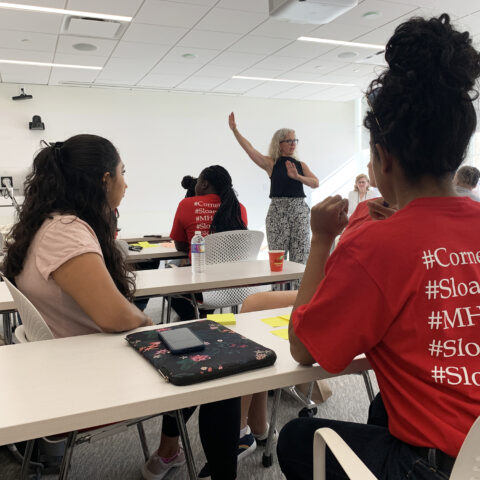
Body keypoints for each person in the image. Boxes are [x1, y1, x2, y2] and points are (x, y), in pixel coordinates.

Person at [277, 13, 480, 480]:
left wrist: (323, 239)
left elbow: (303, 349)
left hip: (437, 469)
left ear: (382, 159)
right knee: (382, 406)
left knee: (297, 439)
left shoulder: (375, 243)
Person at [2, 135, 239, 480]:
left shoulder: (48, 223)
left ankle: (168, 453)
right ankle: (178, 456)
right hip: (89, 377)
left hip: (71, 363)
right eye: (122, 173)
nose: (126, 184)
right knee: (224, 373)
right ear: (104, 180)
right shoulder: (67, 231)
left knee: (201, 349)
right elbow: (115, 316)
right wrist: (146, 321)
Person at [228, 113, 319, 266]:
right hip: (278, 212)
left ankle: (299, 290)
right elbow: (250, 149)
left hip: (299, 212)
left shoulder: (300, 165)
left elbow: (315, 182)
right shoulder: (271, 163)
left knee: (301, 257)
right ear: (279, 143)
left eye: (294, 140)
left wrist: (298, 177)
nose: (293, 144)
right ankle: (279, 289)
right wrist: (235, 131)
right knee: (278, 260)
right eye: (289, 141)